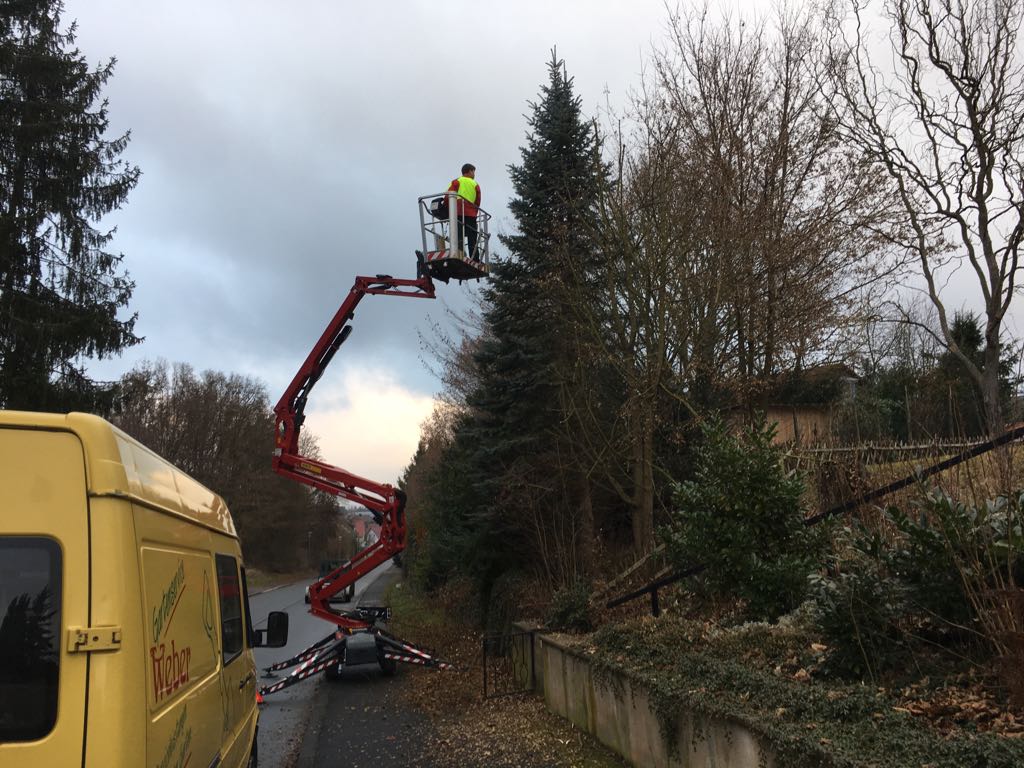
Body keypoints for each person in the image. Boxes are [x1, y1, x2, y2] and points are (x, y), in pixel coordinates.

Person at [448, 163, 481, 258]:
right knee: (472, 237)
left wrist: (448, 210)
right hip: (471, 215)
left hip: (457, 213)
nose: (474, 174)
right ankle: (475, 258)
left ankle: (459, 254)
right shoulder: (475, 184)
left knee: (458, 235)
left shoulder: (456, 182)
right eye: (473, 171)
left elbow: (448, 196)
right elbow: (478, 201)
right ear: (469, 171)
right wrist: (474, 211)